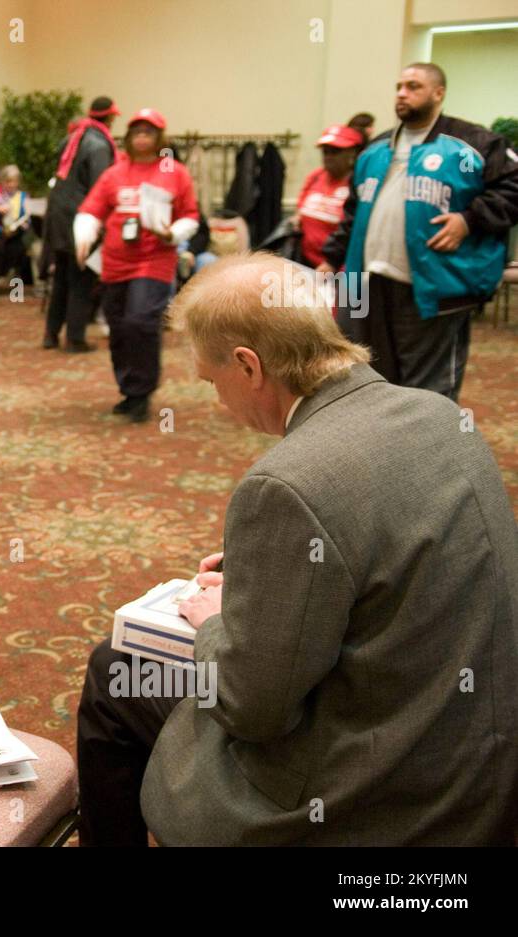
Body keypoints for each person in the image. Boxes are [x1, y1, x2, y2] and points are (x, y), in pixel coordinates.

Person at [76, 253, 518, 845]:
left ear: (249, 365)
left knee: (116, 670)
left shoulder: (284, 484)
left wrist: (213, 621)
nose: (216, 401)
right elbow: (393, 544)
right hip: (476, 773)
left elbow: (251, 708)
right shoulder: (439, 414)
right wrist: (271, 572)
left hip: (374, 804)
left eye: (212, 381)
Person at [323, 63, 518, 401]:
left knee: (429, 390)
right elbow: (354, 210)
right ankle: (386, 451)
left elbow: (513, 187)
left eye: (413, 86)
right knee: (373, 380)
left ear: (438, 93)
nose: (402, 93)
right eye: (399, 86)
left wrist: (469, 219)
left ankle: (432, 451)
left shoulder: (473, 143)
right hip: (370, 285)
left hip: (433, 286)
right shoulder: (376, 149)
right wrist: (331, 259)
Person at [75, 108, 198, 422]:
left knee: (140, 322)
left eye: (149, 131)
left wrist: (173, 233)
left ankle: (142, 391)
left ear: (160, 138)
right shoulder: (115, 172)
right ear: (128, 138)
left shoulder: (175, 172)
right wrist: (84, 234)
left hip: (154, 261)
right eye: (137, 131)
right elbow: (92, 209)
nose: (142, 137)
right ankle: (129, 389)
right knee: (118, 326)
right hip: (115, 263)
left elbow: (191, 216)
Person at [43, 97, 118, 352]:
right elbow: (101, 187)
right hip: (81, 219)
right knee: (81, 279)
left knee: (62, 279)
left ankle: (50, 334)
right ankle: (75, 338)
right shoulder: (99, 145)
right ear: (110, 118)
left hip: (58, 216)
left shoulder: (72, 137)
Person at [293, 124, 362, 268]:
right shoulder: (315, 177)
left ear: (353, 153)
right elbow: (300, 208)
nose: (329, 157)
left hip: (342, 271)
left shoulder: (358, 183)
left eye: (335, 151)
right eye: (325, 152)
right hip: (306, 265)